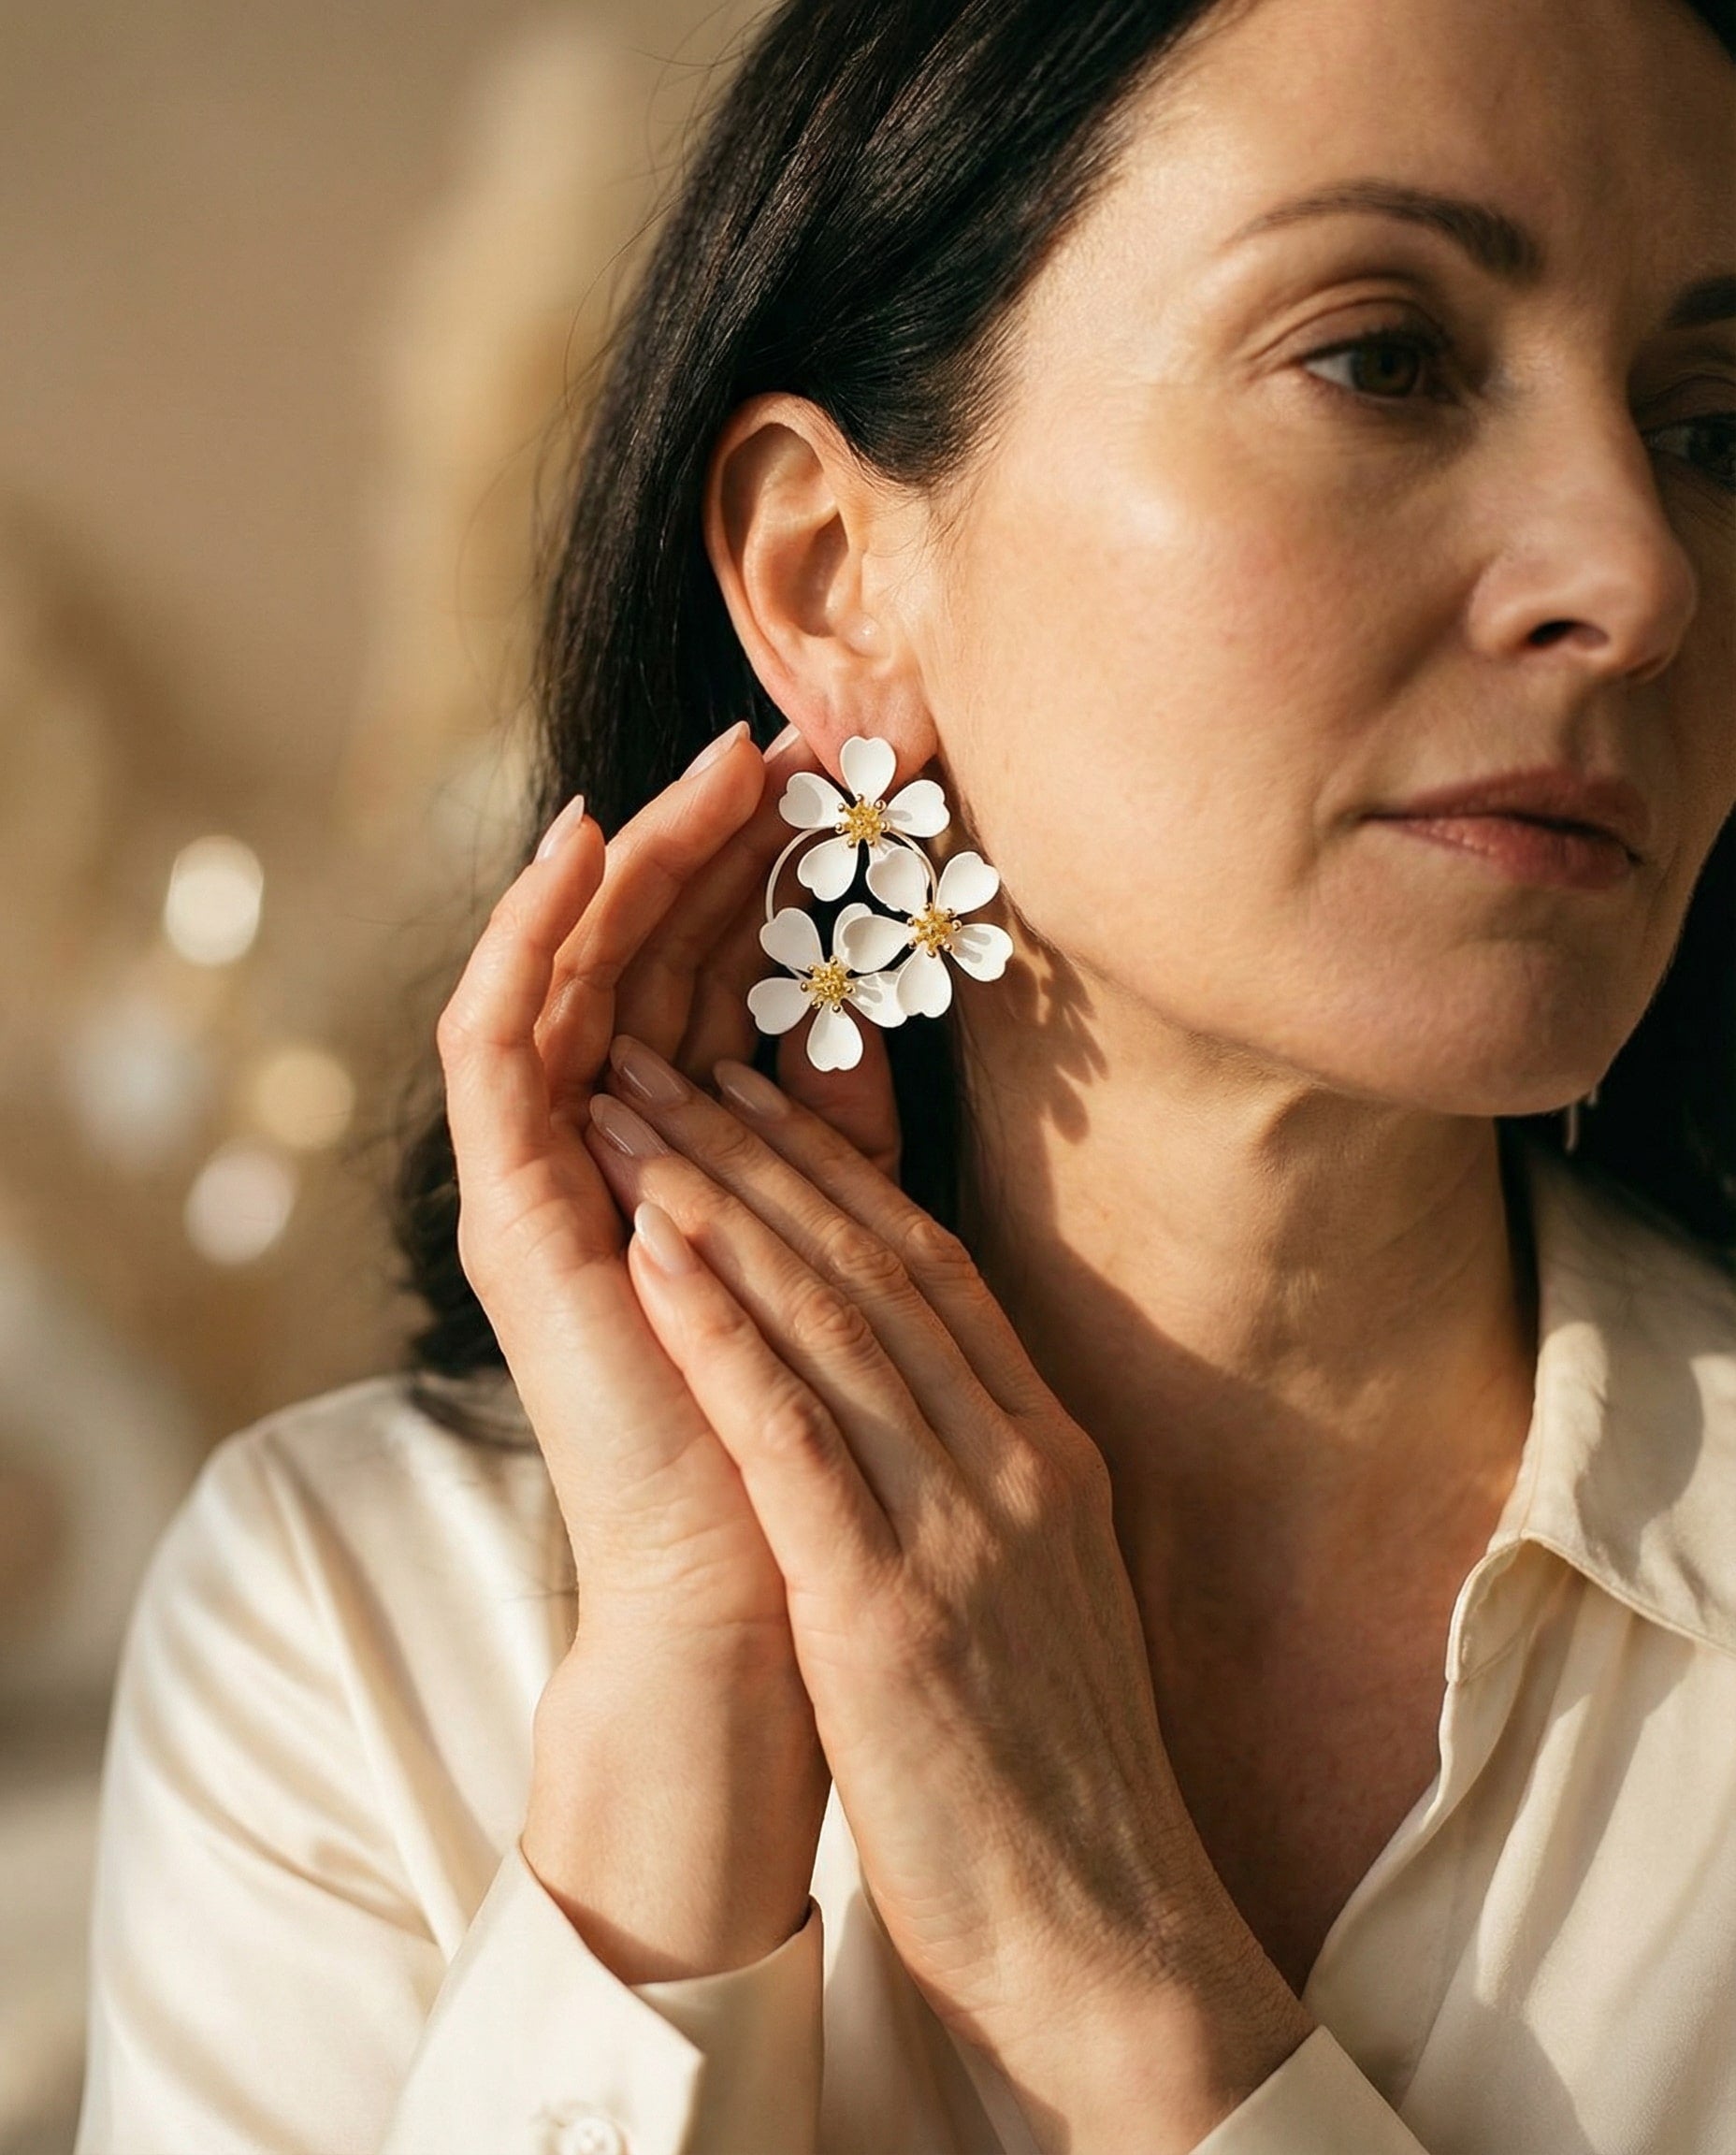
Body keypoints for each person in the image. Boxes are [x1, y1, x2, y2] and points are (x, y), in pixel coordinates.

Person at [75, 0, 1736, 2148]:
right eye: (1380, 356)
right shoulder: (358, 1628)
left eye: (1714, 421)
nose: (1637, 578)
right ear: (832, 574)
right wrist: (678, 1728)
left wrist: (1121, 1970)